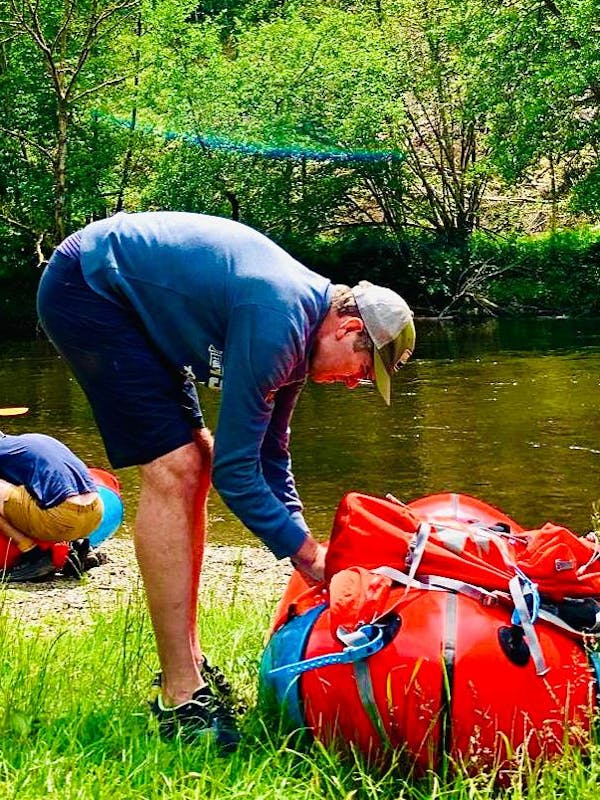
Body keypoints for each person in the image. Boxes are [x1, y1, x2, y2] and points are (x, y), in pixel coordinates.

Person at [36, 211, 416, 749]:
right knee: (178, 466)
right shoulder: (279, 320)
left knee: (198, 456)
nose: (356, 384)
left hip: (137, 310)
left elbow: (269, 454)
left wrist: (301, 535)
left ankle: (188, 662)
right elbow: (240, 475)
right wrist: (307, 556)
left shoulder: (300, 330)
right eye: (363, 367)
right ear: (349, 328)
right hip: (90, 286)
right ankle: (180, 694)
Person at [0, 431, 103, 581]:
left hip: (60, 519)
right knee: (38, 487)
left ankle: (33, 555)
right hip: (96, 513)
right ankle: (79, 548)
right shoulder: (33, 441)